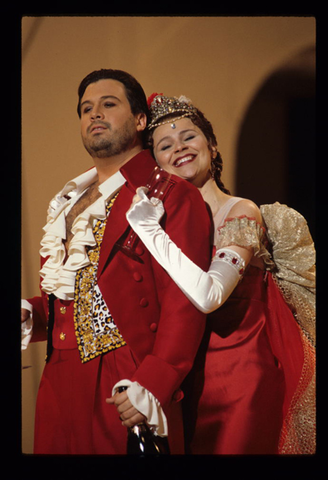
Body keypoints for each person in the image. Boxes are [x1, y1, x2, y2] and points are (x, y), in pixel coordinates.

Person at [21, 72, 213, 454]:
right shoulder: (68, 201)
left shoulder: (169, 194)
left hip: (126, 379)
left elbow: (183, 302)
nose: (95, 115)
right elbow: (80, 294)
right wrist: (33, 313)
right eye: (86, 109)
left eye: (109, 104)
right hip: (58, 381)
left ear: (140, 120)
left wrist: (154, 382)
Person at [126, 93, 316, 454]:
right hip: (187, 382)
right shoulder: (168, 227)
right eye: (165, 145)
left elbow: (208, 295)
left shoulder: (240, 211)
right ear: (157, 165)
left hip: (243, 380)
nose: (179, 147)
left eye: (189, 137)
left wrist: (150, 233)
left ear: (212, 147)